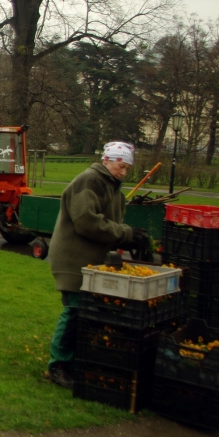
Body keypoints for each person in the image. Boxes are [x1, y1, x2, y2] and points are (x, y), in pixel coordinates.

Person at [44, 141, 150, 389]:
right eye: (121, 166)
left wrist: (129, 237)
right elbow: (87, 221)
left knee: (85, 312)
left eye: (127, 169)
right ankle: (58, 366)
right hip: (74, 258)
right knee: (75, 310)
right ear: (108, 160)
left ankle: (75, 360)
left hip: (91, 259)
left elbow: (109, 221)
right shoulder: (90, 181)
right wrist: (125, 234)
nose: (123, 172)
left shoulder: (109, 185)